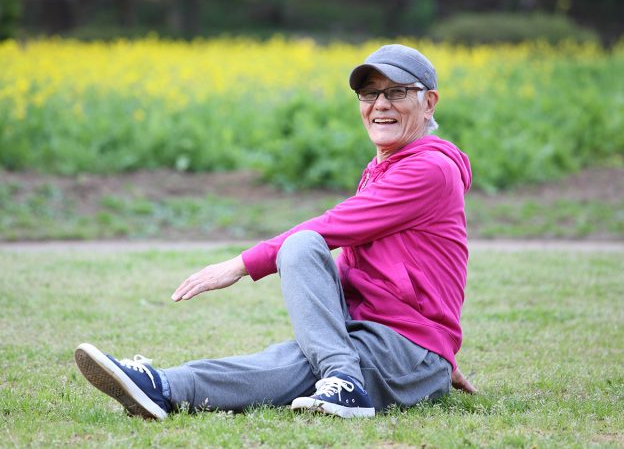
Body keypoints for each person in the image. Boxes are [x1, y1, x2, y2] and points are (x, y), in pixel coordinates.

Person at [74, 43, 476, 420]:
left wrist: (239, 265)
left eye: (398, 92)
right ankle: (163, 385)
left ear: (429, 103)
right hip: (379, 338)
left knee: (301, 260)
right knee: (291, 356)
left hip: (402, 347)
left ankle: (339, 381)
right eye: (370, 94)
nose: (380, 104)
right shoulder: (389, 165)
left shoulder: (428, 169)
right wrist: (435, 353)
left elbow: (333, 226)